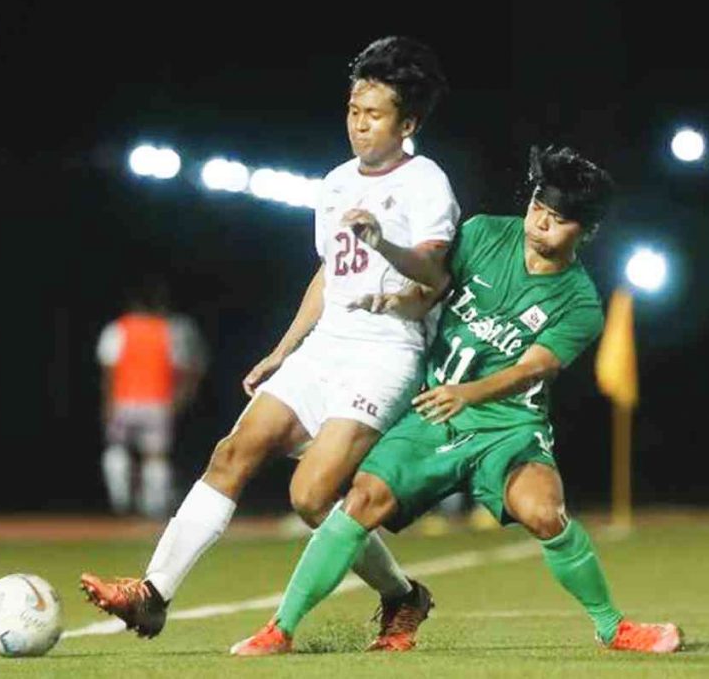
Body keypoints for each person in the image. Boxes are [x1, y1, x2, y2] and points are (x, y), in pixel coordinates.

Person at [80, 35, 459, 650]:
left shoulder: (426, 184)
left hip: (386, 352)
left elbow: (434, 275)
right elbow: (328, 274)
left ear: (408, 122)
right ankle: (154, 595)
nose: (359, 126)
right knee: (233, 452)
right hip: (326, 346)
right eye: (353, 112)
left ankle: (401, 596)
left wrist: (384, 243)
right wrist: (285, 348)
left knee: (311, 496)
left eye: (375, 115)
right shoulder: (335, 184)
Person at [231, 146, 682, 655]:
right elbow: (433, 286)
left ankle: (612, 627)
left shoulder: (580, 303)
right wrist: (399, 299)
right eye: (538, 208)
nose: (540, 224)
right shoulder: (485, 233)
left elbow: (531, 369)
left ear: (586, 231)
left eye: (557, 221)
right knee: (360, 501)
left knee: (544, 511)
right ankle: (282, 628)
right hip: (433, 414)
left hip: (506, 425)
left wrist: (467, 393)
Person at [97, 282, 207, 518]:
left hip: (124, 400)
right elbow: (183, 367)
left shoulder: (118, 329)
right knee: (156, 455)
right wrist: (180, 397)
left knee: (117, 448)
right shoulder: (167, 330)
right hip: (157, 401)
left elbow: (109, 371)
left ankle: (121, 500)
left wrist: (107, 403)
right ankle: (153, 506)